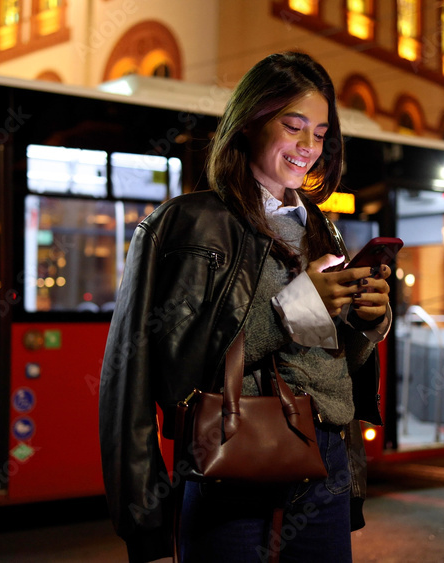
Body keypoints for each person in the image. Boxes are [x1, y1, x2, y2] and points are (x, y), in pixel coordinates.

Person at [98, 52, 391, 562]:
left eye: (320, 134)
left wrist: (366, 326)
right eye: (293, 126)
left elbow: (332, 364)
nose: (308, 148)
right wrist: (144, 524)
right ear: (251, 121)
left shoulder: (324, 228)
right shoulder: (185, 225)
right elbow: (160, 375)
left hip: (325, 463)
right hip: (232, 460)